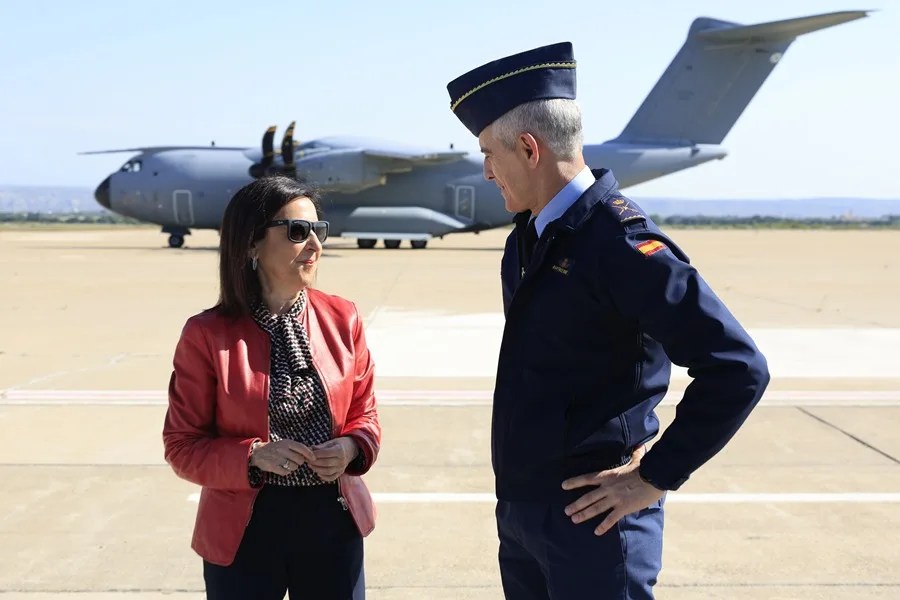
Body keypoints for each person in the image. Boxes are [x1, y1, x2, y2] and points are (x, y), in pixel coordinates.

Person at [445, 42, 770, 598]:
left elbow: (738, 367)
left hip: (594, 527)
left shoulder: (620, 246)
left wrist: (653, 476)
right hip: (524, 516)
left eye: (488, 153)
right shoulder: (527, 240)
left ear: (529, 148)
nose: (486, 171)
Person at [162, 176, 380, 600]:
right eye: (298, 232)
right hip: (244, 528)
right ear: (251, 245)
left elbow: (365, 414)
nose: (315, 245)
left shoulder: (343, 318)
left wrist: (351, 447)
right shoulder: (206, 334)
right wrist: (253, 455)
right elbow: (181, 446)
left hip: (332, 522)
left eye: (320, 231)